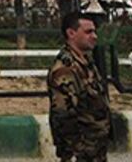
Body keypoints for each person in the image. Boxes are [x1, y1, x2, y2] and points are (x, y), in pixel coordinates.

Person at [47, 11, 110, 162]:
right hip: (81, 152)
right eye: (88, 32)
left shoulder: (86, 63)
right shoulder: (65, 69)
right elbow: (63, 115)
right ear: (71, 33)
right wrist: (77, 150)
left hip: (95, 148)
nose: (94, 36)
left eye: (94, 31)